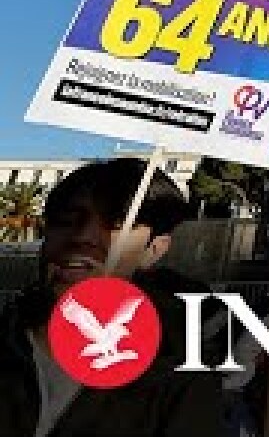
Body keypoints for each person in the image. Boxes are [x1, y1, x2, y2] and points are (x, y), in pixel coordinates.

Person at [0, 158, 223, 436]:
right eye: (66, 221)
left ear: (154, 249)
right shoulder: (9, 337)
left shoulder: (180, 373)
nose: (83, 236)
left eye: (116, 224)